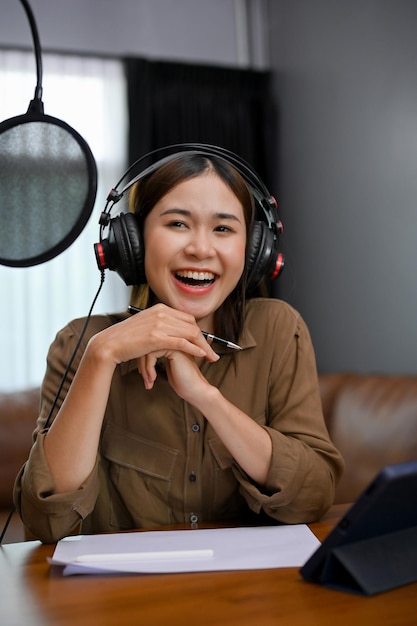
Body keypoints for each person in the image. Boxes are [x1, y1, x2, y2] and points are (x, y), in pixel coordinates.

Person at [14, 147, 344, 543]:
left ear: (255, 251)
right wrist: (101, 358)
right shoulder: (79, 344)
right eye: (177, 224)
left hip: (246, 595)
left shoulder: (278, 330)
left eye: (223, 229)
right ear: (132, 241)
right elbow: (45, 520)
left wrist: (205, 396)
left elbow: (313, 495)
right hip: (123, 598)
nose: (201, 249)